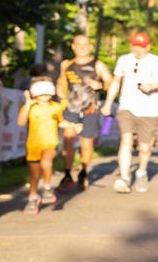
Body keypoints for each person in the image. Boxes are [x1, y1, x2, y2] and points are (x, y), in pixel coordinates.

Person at [102, 31, 158, 194]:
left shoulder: (156, 61)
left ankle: (141, 171)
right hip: (127, 107)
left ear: (147, 47)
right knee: (126, 140)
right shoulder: (124, 60)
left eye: (141, 46)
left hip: (148, 110)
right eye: (135, 46)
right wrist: (108, 103)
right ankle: (125, 177)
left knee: (144, 147)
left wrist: (153, 85)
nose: (137, 50)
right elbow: (116, 82)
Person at [55, 34, 113, 192]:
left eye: (85, 44)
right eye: (78, 44)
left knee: (86, 143)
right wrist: (59, 90)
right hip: (70, 108)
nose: (81, 47)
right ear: (73, 46)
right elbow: (61, 82)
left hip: (90, 109)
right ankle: (67, 174)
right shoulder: (66, 64)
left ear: (90, 47)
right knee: (68, 140)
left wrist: (100, 85)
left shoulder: (98, 65)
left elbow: (111, 83)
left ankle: (83, 172)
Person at [19, 77, 64, 214]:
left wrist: (73, 126)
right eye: (41, 94)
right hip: (33, 145)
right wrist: (27, 103)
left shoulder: (56, 107)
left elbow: (61, 122)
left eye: (47, 94)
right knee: (34, 175)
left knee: (46, 161)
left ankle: (47, 188)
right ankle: (32, 198)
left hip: (50, 142)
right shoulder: (31, 107)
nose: (44, 97)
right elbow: (21, 122)